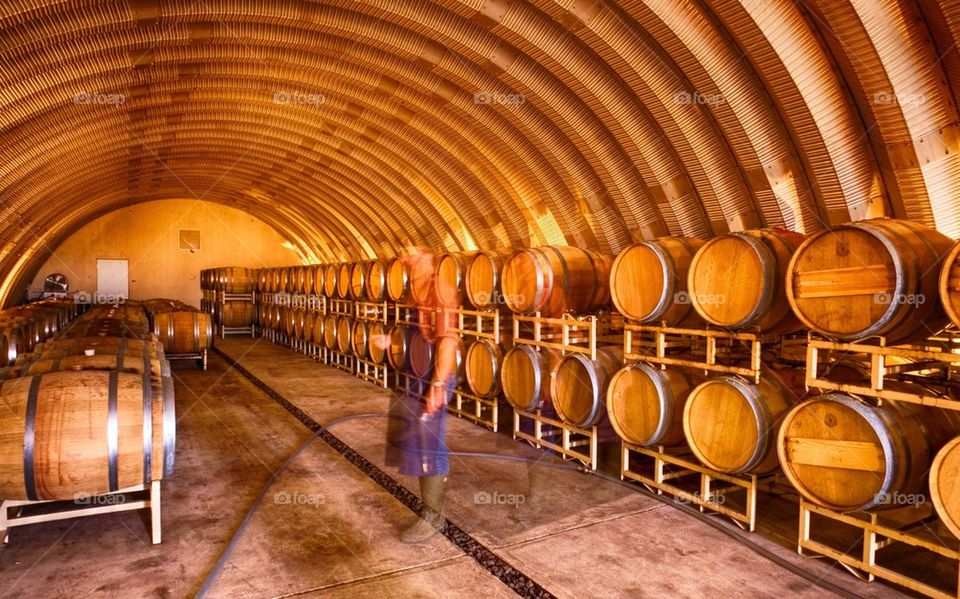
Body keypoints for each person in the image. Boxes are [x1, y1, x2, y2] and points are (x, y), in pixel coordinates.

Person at [379, 249, 458, 543]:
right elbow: (414, 332)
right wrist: (389, 340)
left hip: (432, 377)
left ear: (429, 253)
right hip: (415, 374)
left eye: (410, 251)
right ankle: (428, 510)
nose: (403, 256)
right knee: (414, 441)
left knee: (429, 444)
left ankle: (433, 517)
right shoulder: (416, 289)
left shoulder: (441, 289)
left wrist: (438, 384)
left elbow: (448, 340)